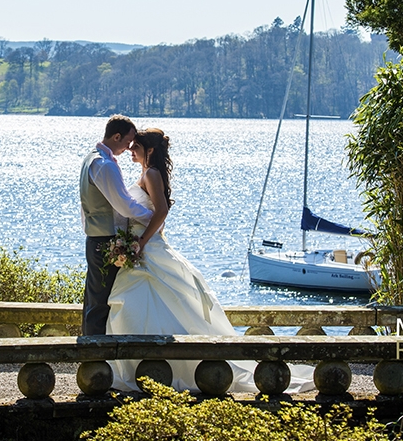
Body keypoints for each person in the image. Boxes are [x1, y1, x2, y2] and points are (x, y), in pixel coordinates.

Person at [106, 128, 315, 394]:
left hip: (145, 249)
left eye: (136, 146)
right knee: (142, 305)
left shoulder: (151, 174)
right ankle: (142, 369)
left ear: (150, 150)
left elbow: (162, 212)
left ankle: (155, 371)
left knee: (145, 304)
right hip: (143, 249)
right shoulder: (146, 173)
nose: (131, 150)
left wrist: (141, 243)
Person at [79, 115, 153, 335]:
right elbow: (124, 206)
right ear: (116, 136)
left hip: (96, 236)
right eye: (127, 142)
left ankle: (94, 350)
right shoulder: (104, 165)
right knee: (101, 301)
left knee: (94, 298)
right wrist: (153, 218)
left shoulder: (92, 159)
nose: (129, 148)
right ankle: (96, 353)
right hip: (105, 240)